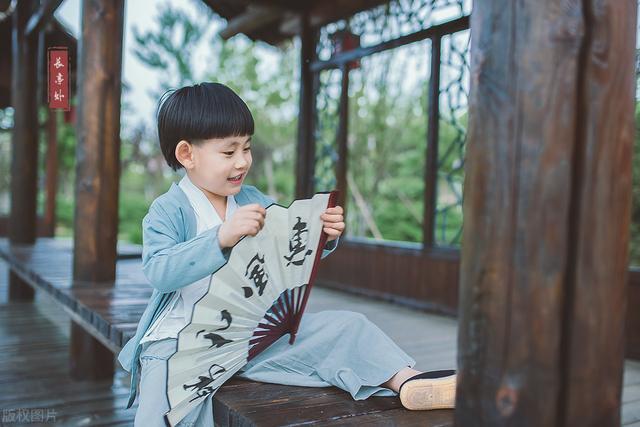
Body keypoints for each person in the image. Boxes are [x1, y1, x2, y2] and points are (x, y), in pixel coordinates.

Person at [116, 82, 457, 426]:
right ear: (187, 155)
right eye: (229, 152)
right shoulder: (168, 210)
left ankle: (408, 381)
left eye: (246, 148)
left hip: (247, 338)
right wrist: (220, 237)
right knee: (166, 409)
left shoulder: (252, 200)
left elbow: (285, 251)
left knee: (347, 326)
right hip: (179, 343)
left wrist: (320, 235)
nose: (242, 162)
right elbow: (159, 270)